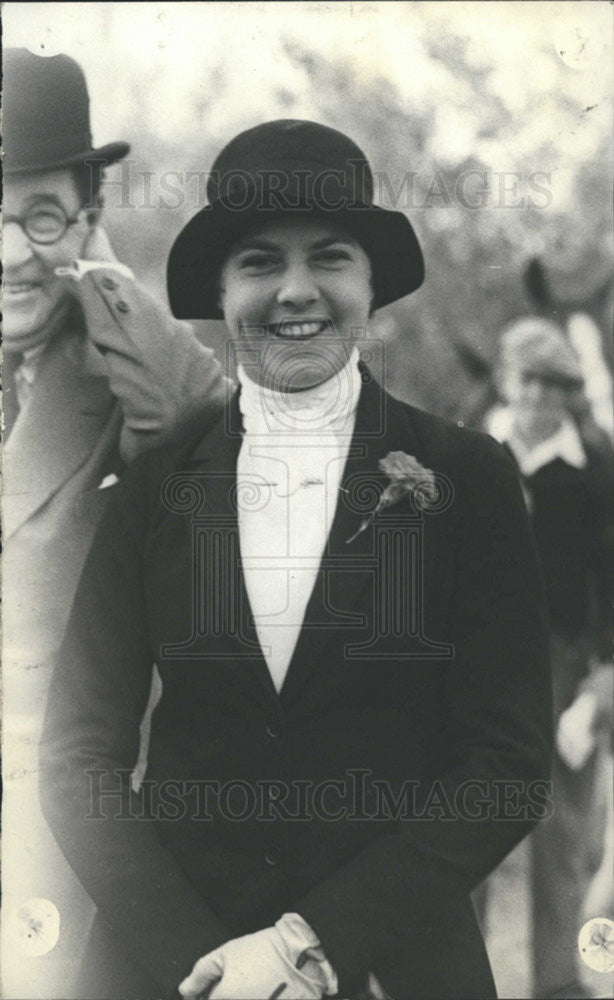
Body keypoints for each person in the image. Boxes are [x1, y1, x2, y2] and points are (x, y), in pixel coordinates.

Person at [40, 119, 552, 1000]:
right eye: (259, 262)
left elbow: (505, 766)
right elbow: (79, 757)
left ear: (370, 281)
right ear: (224, 290)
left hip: (394, 959)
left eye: (330, 257)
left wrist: (307, 945)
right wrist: (201, 962)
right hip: (174, 968)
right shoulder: (156, 489)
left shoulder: (466, 475)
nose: (295, 291)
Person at [2, 48, 228, 998]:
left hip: (45, 821)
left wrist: (93, 277)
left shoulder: (115, 368)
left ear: (89, 220)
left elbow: (197, 407)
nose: (10, 253)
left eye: (39, 216)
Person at [484, 317, 613, 998]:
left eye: (551, 385)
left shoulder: (596, 473)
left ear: (568, 394)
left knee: (562, 836)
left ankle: (560, 984)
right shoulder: (476, 454)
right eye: (525, 381)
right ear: (507, 383)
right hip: (476, 665)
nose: (536, 397)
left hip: (565, 669)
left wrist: (601, 682)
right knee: (461, 823)